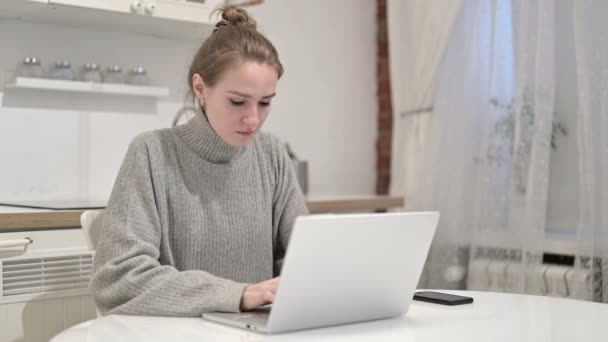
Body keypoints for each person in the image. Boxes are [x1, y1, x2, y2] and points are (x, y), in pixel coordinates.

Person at [90, 6, 308, 317]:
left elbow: (304, 261)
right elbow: (116, 279)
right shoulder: (152, 152)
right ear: (200, 88)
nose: (253, 118)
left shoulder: (271, 153)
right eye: (237, 101)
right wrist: (239, 294)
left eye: (265, 102)